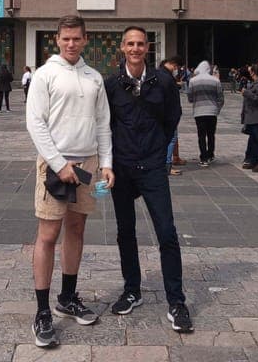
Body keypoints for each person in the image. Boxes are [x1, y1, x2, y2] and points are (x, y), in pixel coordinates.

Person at [25, 15, 114, 348]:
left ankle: (68, 296)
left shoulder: (94, 78)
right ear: (57, 40)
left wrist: (106, 164)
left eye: (77, 38)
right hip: (54, 164)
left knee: (77, 229)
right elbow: (36, 124)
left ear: (85, 39)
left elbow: (103, 123)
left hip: (89, 162)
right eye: (66, 39)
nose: (71, 43)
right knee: (48, 234)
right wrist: (59, 163)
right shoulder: (45, 75)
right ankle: (42, 310)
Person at [104, 25, 193, 333]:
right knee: (125, 232)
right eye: (130, 43)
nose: (135, 48)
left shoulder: (163, 81)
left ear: (148, 47)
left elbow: (172, 119)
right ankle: (132, 290)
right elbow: (106, 125)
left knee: (167, 232)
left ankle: (176, 301)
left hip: (153, 167)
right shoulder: (112, 84)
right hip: (123, 167)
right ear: (122, 47)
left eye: (140, 43)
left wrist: (157, 151)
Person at [186, 60, 224, 167]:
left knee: (201, 135)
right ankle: (211, 154)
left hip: (199, 112)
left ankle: (203, 158)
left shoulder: (193, 81)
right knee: (211, 134)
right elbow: (220, 98)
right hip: (212, 112)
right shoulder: (215, 81)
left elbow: (190, 97)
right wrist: (217, 109)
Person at [159, 56, 185, 176]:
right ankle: (167, 166)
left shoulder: (161, 74)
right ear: (173, 65)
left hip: (165, 114)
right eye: (176, 67)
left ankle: (167, 163)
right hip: (168, 115)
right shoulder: (166, 77)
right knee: (171, 139)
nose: (176, 69)